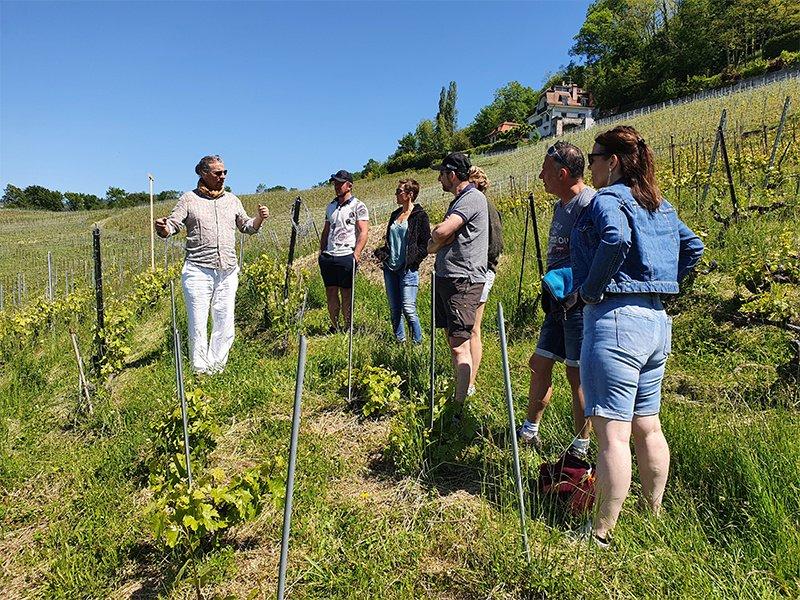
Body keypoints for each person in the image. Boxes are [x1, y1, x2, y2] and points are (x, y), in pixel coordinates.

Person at [570, 125, 704, 547]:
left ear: (611, 162)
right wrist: (664, 282)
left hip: (615, 321)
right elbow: (694, 246)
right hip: (656, 322)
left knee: (612, 431)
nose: (590, 166)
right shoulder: (659, 204)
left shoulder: (608, 198)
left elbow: (616, 237)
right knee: (649, 426)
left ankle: (601, 533)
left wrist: (592, 288)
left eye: (593, 158)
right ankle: (653, 515)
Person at [154, 155, 269, 374]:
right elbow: (173, 225)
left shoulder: (232, 200)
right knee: (198, 322)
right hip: (198, 269)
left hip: (227, 271)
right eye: (217, 173)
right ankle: (199, 369)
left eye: (225, 172)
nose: (222, 177)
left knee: (224, 321)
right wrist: (163, 228)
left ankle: (217, 368)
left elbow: (246, 227)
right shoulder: (189, 199)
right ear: (203, 174)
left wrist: (260, 219)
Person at [518, 142, 595, 459]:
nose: (540, 176)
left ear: (563, 174)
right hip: (556, 299)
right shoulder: (560, 206)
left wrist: (582, 289)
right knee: (540, 362)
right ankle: (529, 432)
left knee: (576, 374)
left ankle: (579, 450)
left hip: (577, 303)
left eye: (546, 171)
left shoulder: (590, 204)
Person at [427, 152, 489, 409]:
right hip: (448, 278)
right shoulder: (459, 201)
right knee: (452, 341)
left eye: (441, 173)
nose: (440, 178)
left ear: (452, 175)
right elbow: (433, 246)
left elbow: (440, 232)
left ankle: (459, 406)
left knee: (459, 345)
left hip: (463, 280)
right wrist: (440, 239)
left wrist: (440, 234)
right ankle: (460, 391)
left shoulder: (472, 198)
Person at [376, 178, 431, 343]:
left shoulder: (420, 216)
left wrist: (414, 259)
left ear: (410, 194)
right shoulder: (394, 215)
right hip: (390, 268)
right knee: (395, 310)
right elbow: (390, 241)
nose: (396, 194)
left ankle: (417, 344)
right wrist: (382, 254)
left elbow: (425, 244)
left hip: (408, 269)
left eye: (399, 191)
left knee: (408, 308)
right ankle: (400, 341)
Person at [465, 166, 503, 396]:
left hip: (481, 272)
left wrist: (482, 264)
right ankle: (464, 377)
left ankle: (470, 382)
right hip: (477, 271)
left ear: (477, 184)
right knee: (468, 328)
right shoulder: (478, 205)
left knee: (473, 329)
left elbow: (496, 244)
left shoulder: (484, 207)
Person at [318, 169, 369, 332]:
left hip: (347, 255)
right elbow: (326, 231)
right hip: (329, 256)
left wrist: (357, 254)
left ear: (350, 186)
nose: (337, 186)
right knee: (330, 292)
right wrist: (322, 252)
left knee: (346, 294)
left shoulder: (358, 206)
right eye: (335, 183)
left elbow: (363, 231)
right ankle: (334, 327)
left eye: (340, 183)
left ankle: (348, 327)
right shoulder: (331, 206)